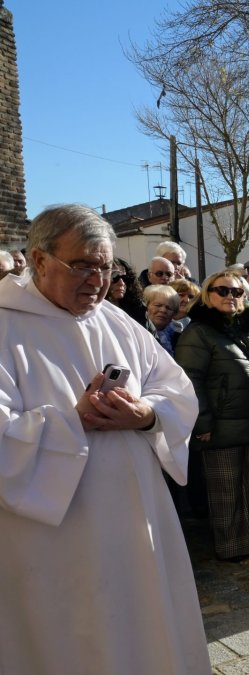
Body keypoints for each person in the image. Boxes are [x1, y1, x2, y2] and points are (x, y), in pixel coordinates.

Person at [0, 204, 209, 673]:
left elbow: (176, 389)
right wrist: (72, 420)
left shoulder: (116, 321)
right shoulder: (4, 325)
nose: (96, 279)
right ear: (38, 260)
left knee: (144, 633)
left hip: (138, 525)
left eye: (105, 266)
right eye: (82, 266)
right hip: (55, 542)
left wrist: (148, 415)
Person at [175, 270, 249, 561]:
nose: (230, 297)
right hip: (220, 424)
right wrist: (202, 422)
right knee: (227, 491)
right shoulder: (198, 331)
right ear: (208, 294)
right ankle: (233, 547)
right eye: (223, 291)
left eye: (237, 292)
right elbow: (189, 380)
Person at [143, 283, 182, 357]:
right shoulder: (137, 331)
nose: (163, 310)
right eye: (158, 305)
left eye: (168, 308)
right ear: (146, 306)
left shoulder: (179, 338)